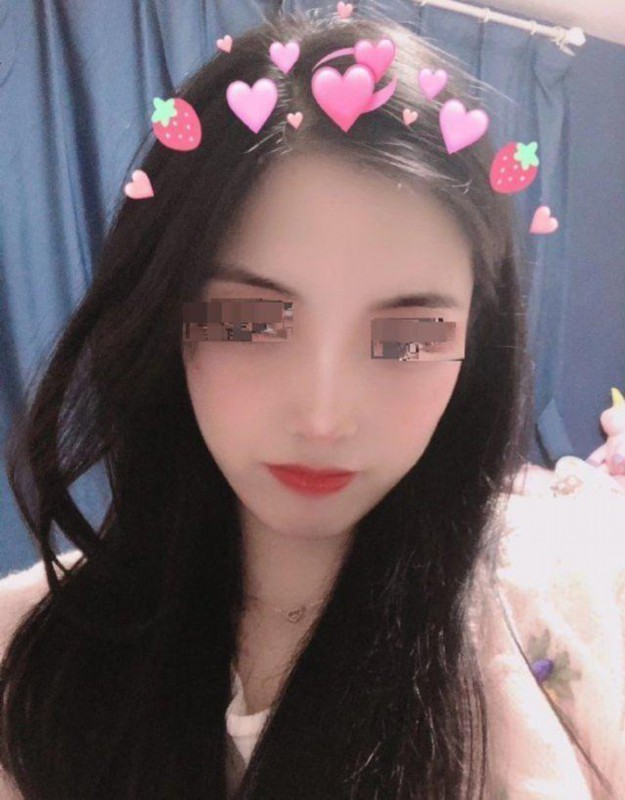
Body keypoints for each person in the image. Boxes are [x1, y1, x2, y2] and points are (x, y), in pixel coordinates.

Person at [0, 9, 623, 800]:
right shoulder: (27, 656)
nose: (324, 418)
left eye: (408, 337)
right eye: (250, 322)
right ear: (165, 319)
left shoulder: (567, 614)